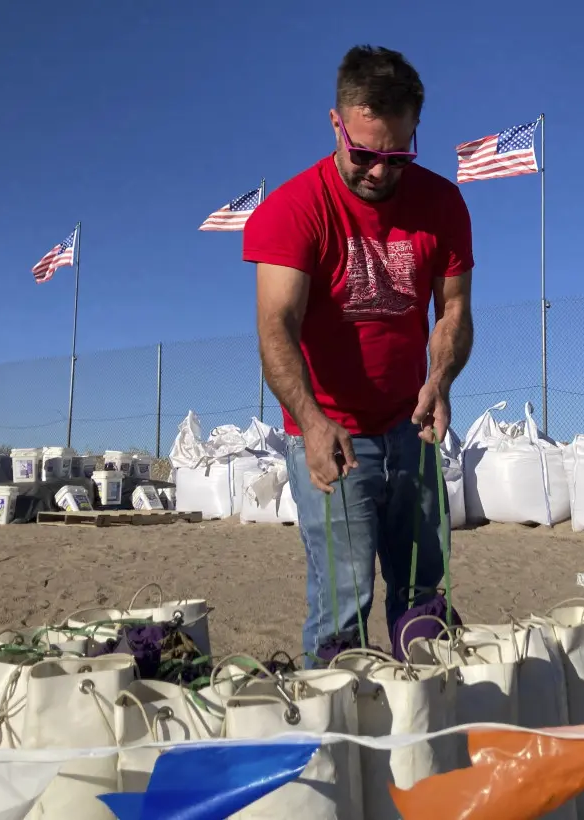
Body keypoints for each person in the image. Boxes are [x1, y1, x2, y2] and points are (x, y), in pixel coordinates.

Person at [243, 45, 474, 662]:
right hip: (330, 434)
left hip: (412, 425)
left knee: (424, 596)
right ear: (336, 124)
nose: (378, 171)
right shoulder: (291, 211)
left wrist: (440, 381)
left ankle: (425, 730)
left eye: (396, 155)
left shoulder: (442, 204)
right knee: (344, 604)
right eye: (365, 153)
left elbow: (452, 311)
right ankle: (344, 744)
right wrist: (313, 423)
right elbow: (276, 329)